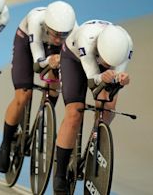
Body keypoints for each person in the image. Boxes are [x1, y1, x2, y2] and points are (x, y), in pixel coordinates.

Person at [0, 1, 77, 173]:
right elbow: (38, 63)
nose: (57, 38)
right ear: (47, 26)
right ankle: (6, 143)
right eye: (55, 34)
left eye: (63, 35)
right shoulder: (36, 21)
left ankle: (44, 115)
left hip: (57, 51)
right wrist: (49, 61)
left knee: (56, 85)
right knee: (23, 95)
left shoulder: (73, 31)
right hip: (27, 43)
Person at [53, 20, 134, 194]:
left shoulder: (126, 45)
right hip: (74, 59)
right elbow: (92, 80)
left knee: (107, 109)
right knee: (74, 113)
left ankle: (94, 144)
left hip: (100, 63)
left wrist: (120, 79)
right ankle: (60, 173)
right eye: (105, 61)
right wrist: (102, 76)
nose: (107, 64)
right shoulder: (87, 38)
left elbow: (114, 81)